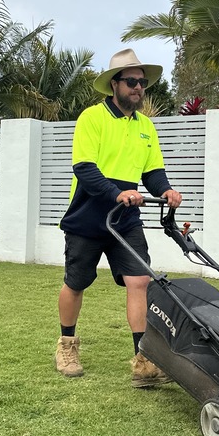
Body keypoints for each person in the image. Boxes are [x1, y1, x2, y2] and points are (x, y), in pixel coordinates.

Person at [56, 48, 182, 386]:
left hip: (126, 215)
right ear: (114, 84)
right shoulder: (92, 119)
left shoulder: (145, 127)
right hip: (88, 212)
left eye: (143, 83)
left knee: (140, 280)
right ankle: (66, 344)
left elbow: (153, 171)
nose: (139, 88)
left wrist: (166, 189)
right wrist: (117, 192)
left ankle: (143, 360)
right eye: (132, 82)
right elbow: (84, 168)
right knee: (77, 282)